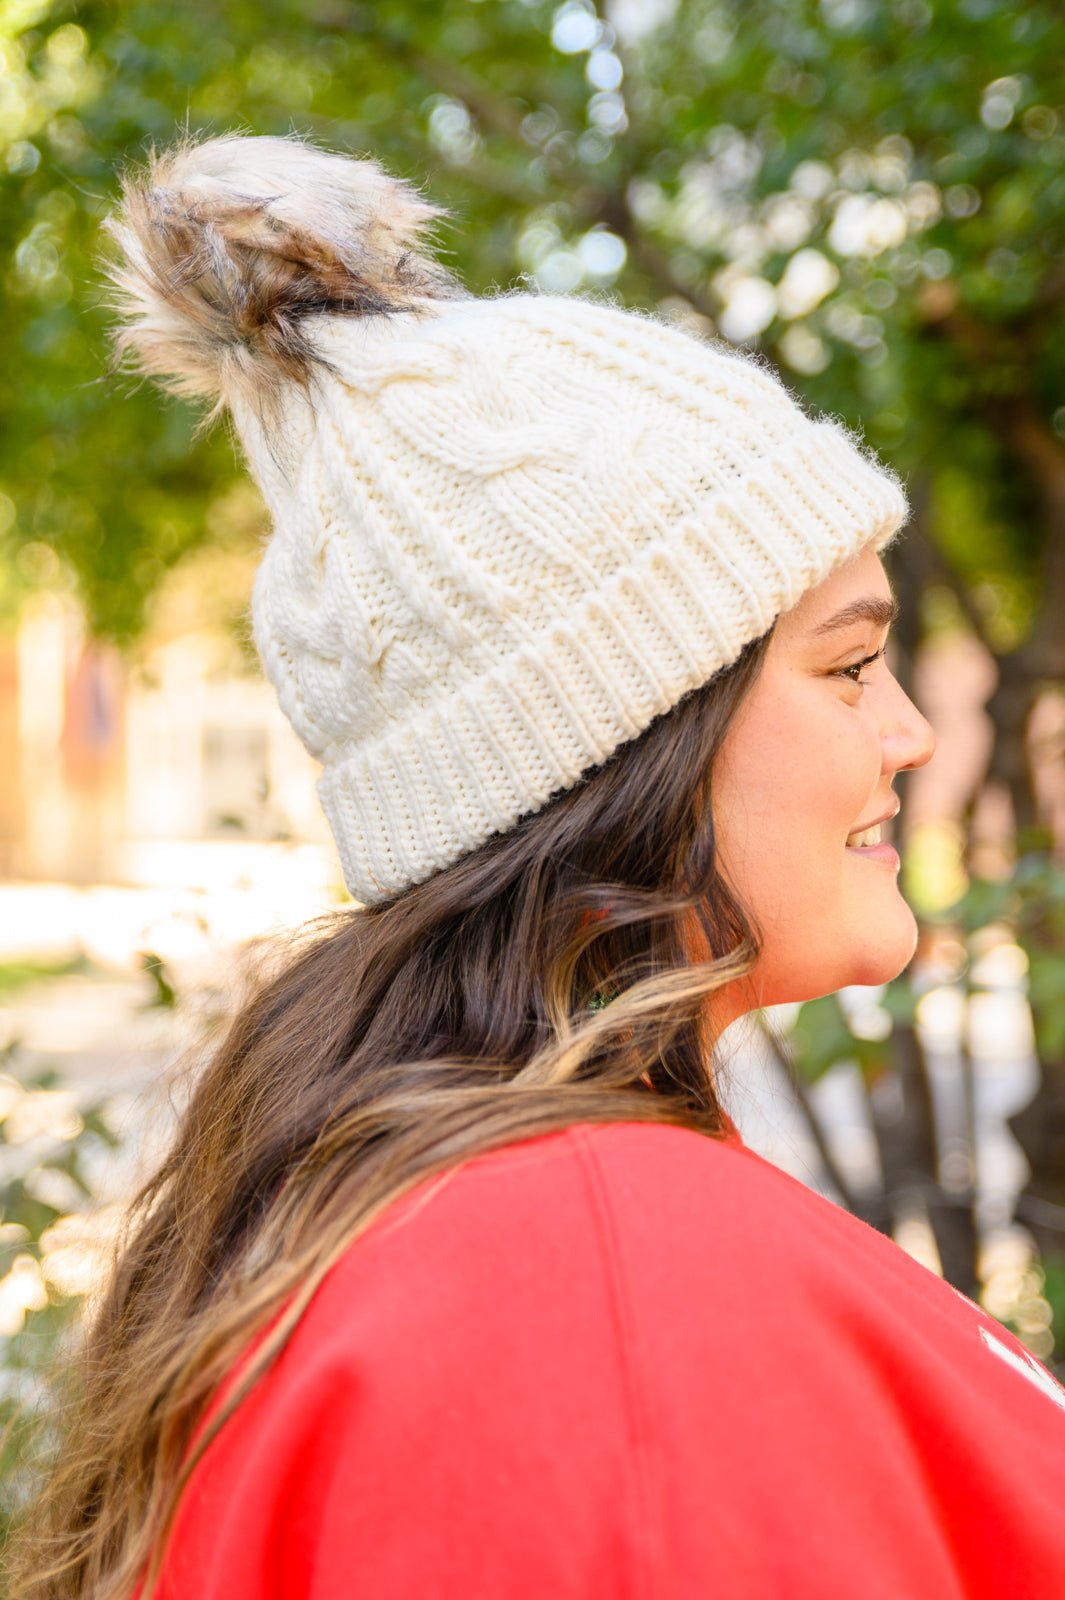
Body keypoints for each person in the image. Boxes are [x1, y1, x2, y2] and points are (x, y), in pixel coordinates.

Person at [12, 131, 1065, 1600]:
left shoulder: (503, 1227)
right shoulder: (606, 1312)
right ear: (624, 742)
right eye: (849, 664)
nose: (903, 734)